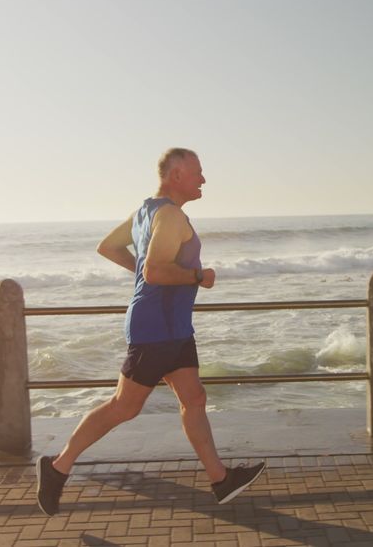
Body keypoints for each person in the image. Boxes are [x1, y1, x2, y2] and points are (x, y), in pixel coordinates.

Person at [35, 148, 266, 516]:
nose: (203, 180)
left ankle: (221, 480)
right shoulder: (171, 216)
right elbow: (155, 272)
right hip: (155, 329)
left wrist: (146, 276)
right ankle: (57, 467)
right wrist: (198, 277)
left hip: (174, 328)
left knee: (194, 399)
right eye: (198, 173)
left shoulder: (147, 210)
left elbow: (109, 247)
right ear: (176, 175)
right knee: (123, 406)